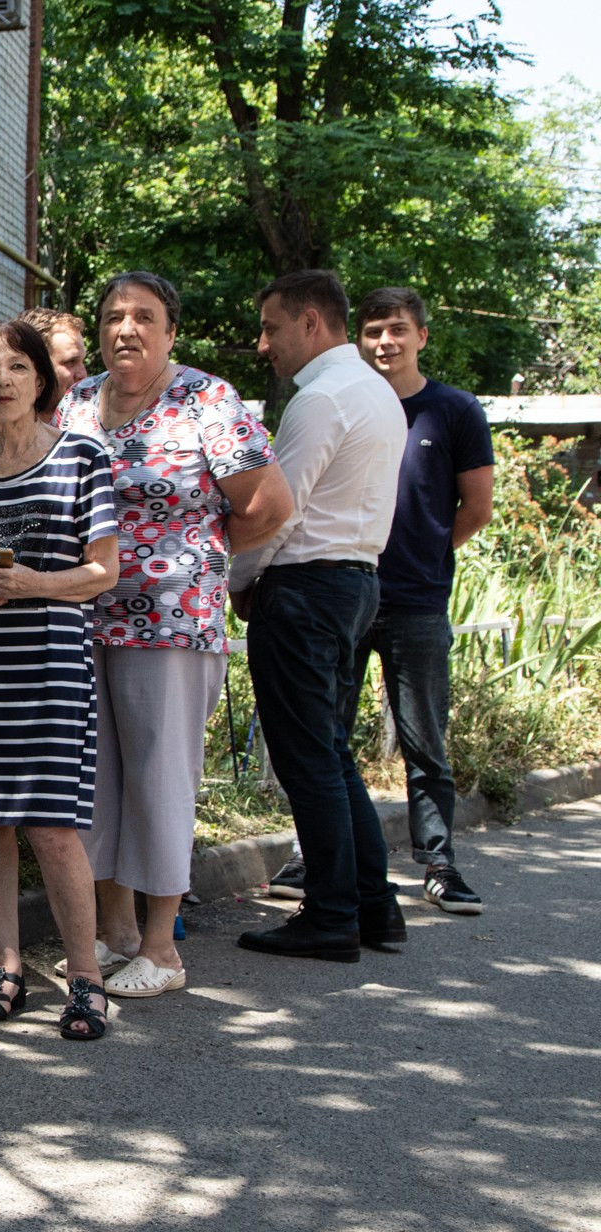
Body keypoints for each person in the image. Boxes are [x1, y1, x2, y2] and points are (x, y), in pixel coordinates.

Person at [56, 272, 292, 999]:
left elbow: (269, 505)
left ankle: (163, 947)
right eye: (113, 316)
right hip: (80, 615)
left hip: (169, 621)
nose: (126, 328)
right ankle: (116, 930)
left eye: (144, 317)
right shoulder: (75, 400)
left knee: (159, 782)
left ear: (169, 331)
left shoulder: (205, 399)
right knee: (94, 781)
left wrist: (195, 557)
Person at [0, 320, 120, 1040]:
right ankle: (4, 969)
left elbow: (104, 571)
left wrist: (35, 581)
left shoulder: (81, 456)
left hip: (48, 661)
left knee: (52, 825)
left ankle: (85, 980)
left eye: (16, 367)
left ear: (42, 379)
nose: (1, 380)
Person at [269, 288, 498, 915]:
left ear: (422, 336)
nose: (385, 342)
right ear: (356, 337)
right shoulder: (350, 399)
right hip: (344, 598)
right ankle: (317, 857)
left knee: (424, 740)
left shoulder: (451, 410)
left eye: (398, 329)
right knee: (327, 737)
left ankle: (439, 862)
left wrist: (427, 553)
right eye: (373, 331)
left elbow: (476, 507)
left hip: (413, 599)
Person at [231, 270, 408, 962]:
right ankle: (372, 906)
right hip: (354, 581)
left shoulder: (321, 398)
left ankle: (332, 913)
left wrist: (238, 581)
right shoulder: (377, 393)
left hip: (305, 588)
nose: (263, 342)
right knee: (332, 754)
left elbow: (277, 508)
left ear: (311, 322)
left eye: (272, 327)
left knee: (310, 760)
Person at [0, 307, 89, 451]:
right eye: (70, 362)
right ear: (41, 367)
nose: (83, 374)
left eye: (82, 362)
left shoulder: (86, 437)